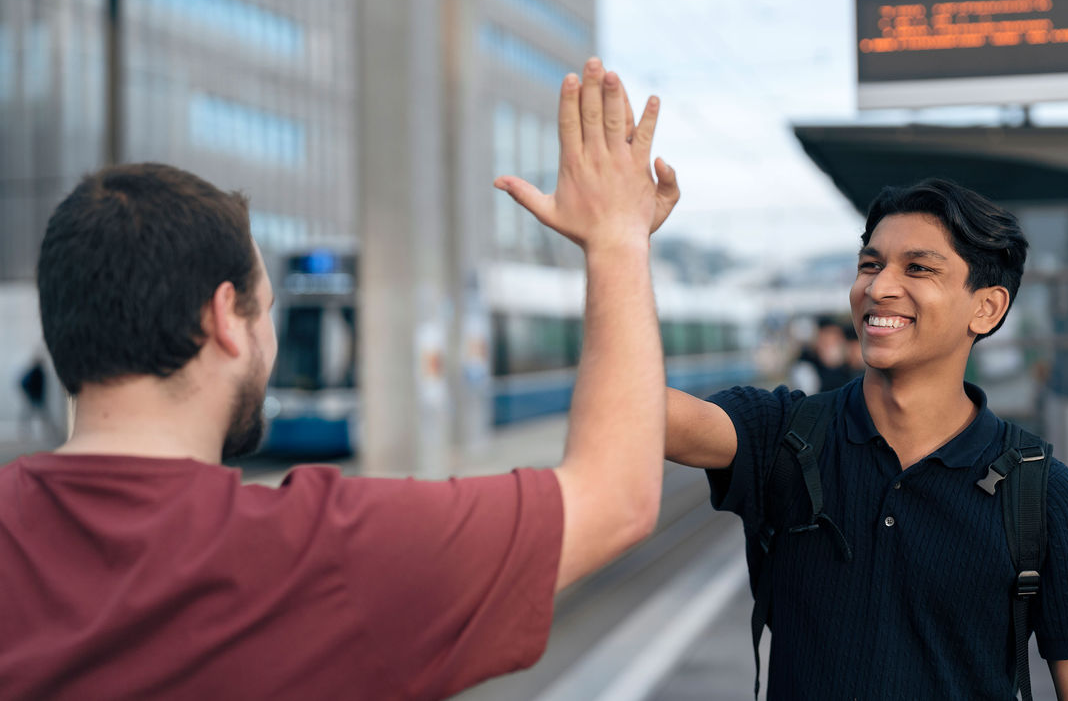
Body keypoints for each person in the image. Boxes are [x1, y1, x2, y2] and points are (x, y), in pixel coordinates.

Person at [0, 58, 680, 700]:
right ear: (225, 319)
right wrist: (617, 240)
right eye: (266, 309)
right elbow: (616, 499)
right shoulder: (328, 553)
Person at [663, 178, 1068, 699]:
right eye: (870, 265)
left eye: (918, 268)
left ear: (987, 308)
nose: (878, 288)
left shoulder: (1041, 494)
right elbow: (638, 414)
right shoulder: (785, 434)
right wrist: (618, 244)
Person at [789, 315, 858, 394]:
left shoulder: (852, 368)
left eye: (834, 341)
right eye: (825, 342)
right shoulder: (806, 368)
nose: (830, 347)